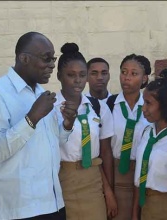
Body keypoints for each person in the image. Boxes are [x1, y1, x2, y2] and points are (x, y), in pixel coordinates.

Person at [0, 32, 77, 220]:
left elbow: (52, 142)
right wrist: (32, 118)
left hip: (52, 202)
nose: (51, 65)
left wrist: (67, 123)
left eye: (53, 59)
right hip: (18, 208)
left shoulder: (41, 92)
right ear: (24, 58)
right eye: (46, 58)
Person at [54, 43, 117, 219]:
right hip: (62, 179)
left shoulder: (99, 107)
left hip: (93, 181)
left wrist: (109, 191)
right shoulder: (50, 108)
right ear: (59, 76)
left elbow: (105, 152)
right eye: (71, 75)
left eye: (82, 75)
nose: (77, 80)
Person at [132, 69, 167, 220]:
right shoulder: (147, 132)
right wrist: (135, 213)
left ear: (165, 105)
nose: (143, 108)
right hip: (145, 203)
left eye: (149, 103)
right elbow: (139, 174)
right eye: (144, 102)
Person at [111, 54, 151, 220]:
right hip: (117, 172)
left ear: (144, 79)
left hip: (144, 172)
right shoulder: (108, 105)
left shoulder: (151, 107)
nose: (126, 78)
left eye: (134, 74)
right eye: (123, 72)